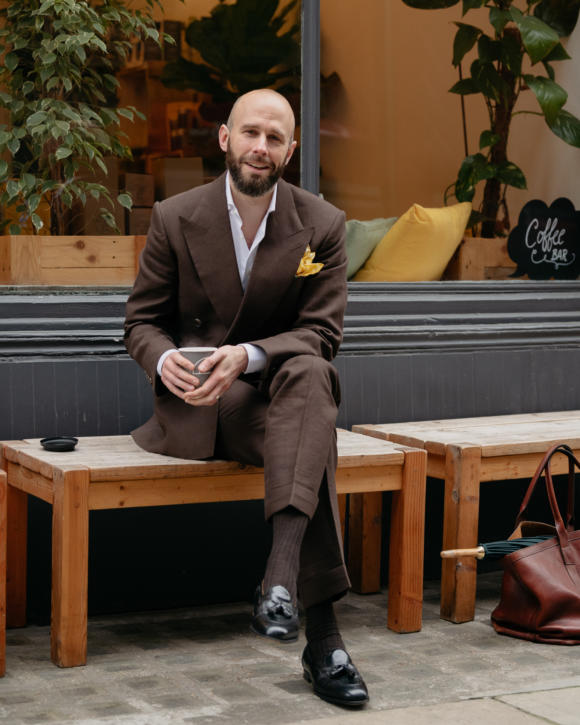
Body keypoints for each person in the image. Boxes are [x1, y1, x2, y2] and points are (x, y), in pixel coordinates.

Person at [124, 88, 368, 708]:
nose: (262, 148)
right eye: (251, 133)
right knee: (314, 439)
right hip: (203, 404)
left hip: (276, 395)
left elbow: (322, 334)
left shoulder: (323, 224)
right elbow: (140, 323)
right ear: (226, 138)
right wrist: (164, 358)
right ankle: (325, 639)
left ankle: (279, 581)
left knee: (312, 378)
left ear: (291, 150)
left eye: (275, 138)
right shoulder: (175, 215)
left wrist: (250, 355)